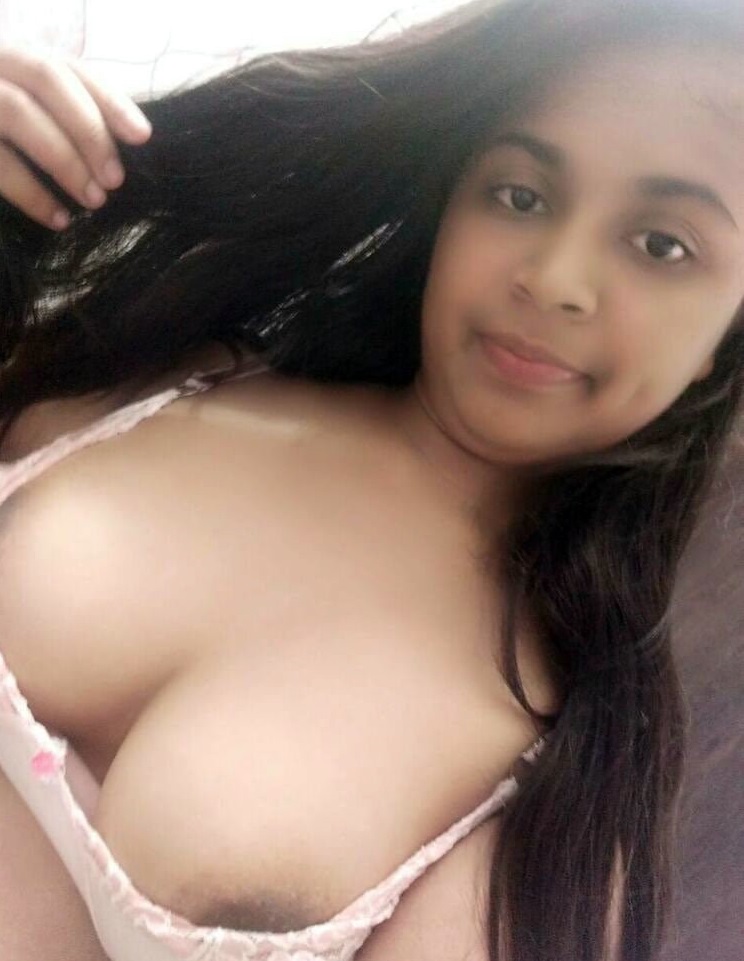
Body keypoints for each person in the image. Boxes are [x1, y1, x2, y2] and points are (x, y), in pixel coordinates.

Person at [0, 0, 742, 958]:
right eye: (520, 194)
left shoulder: (559, 801)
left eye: (663, 245)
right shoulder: (154, 362)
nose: (556, 278)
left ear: (725, 337)